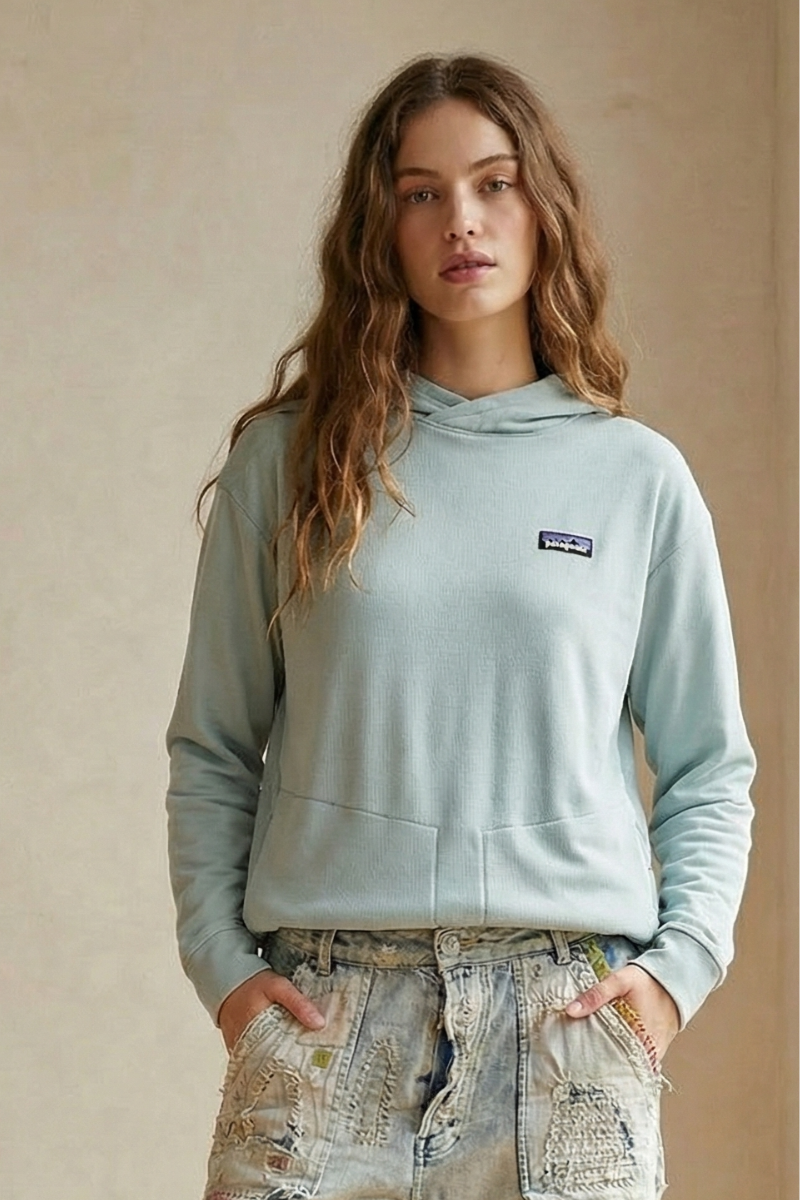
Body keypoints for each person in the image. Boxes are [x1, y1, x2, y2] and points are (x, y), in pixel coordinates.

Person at [164, 51, 757, 1200]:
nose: (461, 221)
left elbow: (707, 767)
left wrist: (673, 976)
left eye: (493, 183)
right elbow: (213, 750)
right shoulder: (287, 466)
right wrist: (226, 977)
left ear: (544, 207)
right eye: (420, 192)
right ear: (378, 228)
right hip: (324, 1025)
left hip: (564, 1032)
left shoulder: (634, 477)